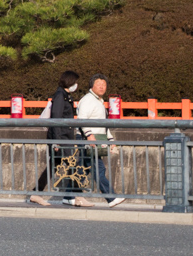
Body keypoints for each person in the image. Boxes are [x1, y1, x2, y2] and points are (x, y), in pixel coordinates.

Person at [29, 71, 87, 207]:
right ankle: (76, 196)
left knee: (54, 166)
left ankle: (36, 193)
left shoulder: (65, 95)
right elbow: (56, 119)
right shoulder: (61, 96)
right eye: (75, 82)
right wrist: (56, 141)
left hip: (64, 138)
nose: (76, 85)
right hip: (61, 139)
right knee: (72, 164)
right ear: (70, 81)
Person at [77, 74, 125, 208]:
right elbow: (82, 118)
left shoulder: (98, 101)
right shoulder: (88, 100)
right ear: (92, 85)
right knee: (98, 168)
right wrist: (88, 135)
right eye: (98, 83)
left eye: (104, 84)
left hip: (95, 138)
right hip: (89, 139)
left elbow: (103, 124)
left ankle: (70, 195)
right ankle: (111, 197)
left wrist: (110, 139)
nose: (102, 86)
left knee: (83, 169)